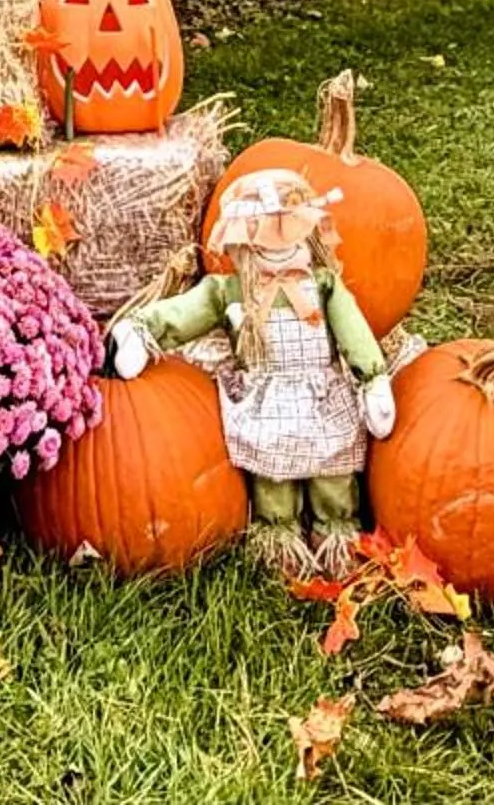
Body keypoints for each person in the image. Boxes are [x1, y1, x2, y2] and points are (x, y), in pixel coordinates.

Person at [108, 164, 395, 575]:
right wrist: (144, 329)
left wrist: (372, 377)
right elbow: (187, 313)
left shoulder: (324, 284)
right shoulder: (229, 291)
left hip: (320, 391)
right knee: (272, 474)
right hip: (268, 396)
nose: (279, 249)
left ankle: (337, 530)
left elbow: (353, 330)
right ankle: (280, 536)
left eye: (290, 237)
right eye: (265, 242)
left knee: (332, 465)